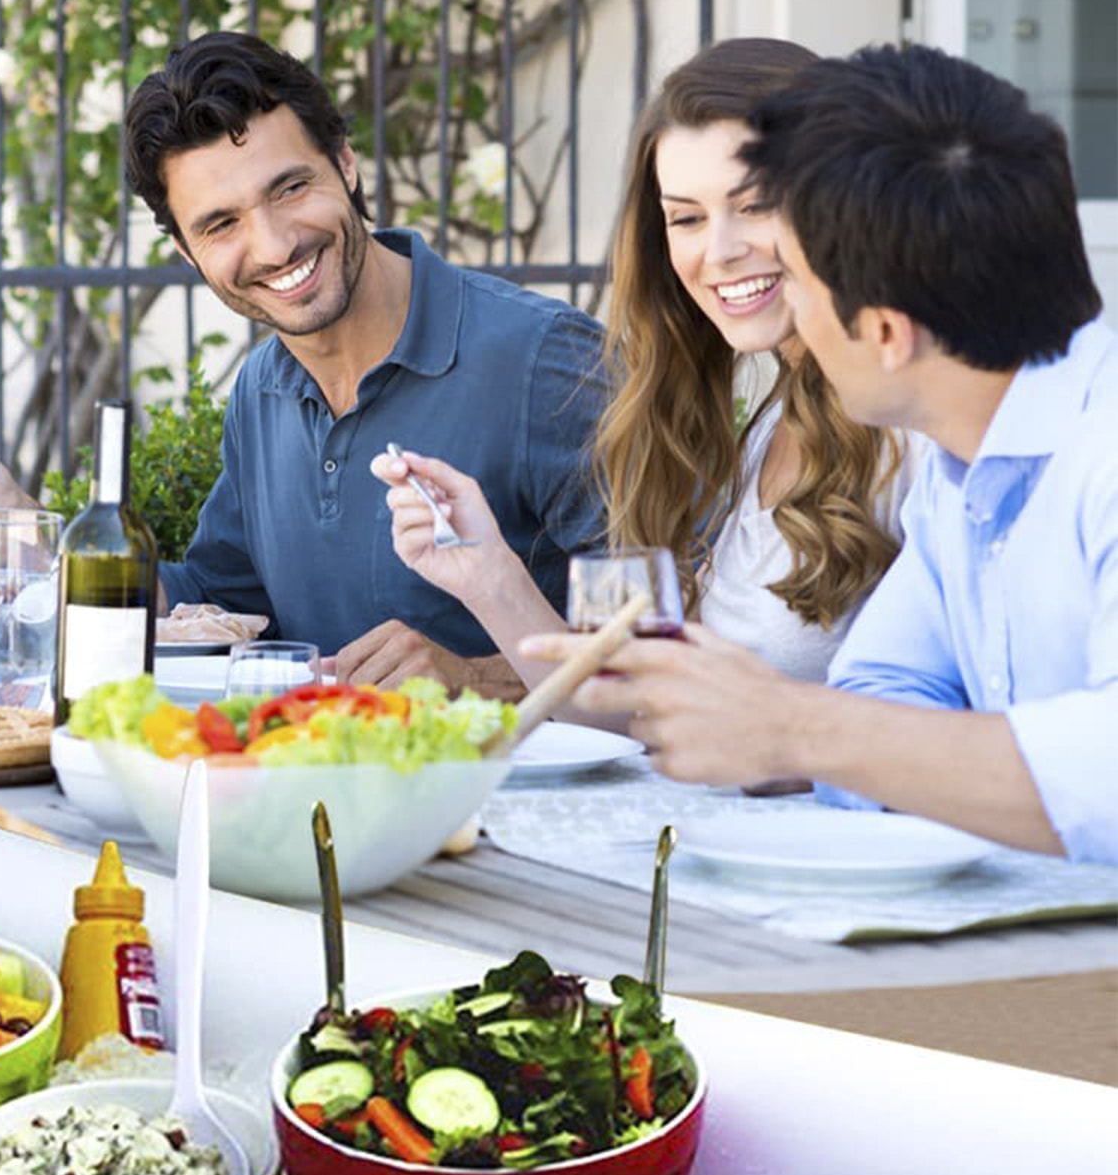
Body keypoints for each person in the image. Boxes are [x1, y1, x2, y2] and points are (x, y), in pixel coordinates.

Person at [524, 44, 1116, 864]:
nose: (786, 318)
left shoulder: (1095, 457)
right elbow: (880, 687)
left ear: (882, 332)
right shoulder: (958, 473)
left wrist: (795, 728)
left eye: (798, 279)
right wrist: (792, 732)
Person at [372, 38, 920, 704]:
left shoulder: (914, 428)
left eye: (755, 205)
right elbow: (648, 716)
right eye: (686, 218)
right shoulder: (771, 425)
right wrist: (486, 573)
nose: (720, 251)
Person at [125, 31, 607, 691]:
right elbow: (212, 601)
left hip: (526, 792)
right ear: (187, 253)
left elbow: (671, 629)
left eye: (290, 188)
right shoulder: (261, 389)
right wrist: (27, 539)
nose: (272, 246)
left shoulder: (548, 358)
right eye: (220, 225)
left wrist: (472, 677)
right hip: (317, 791)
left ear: (346, 165)